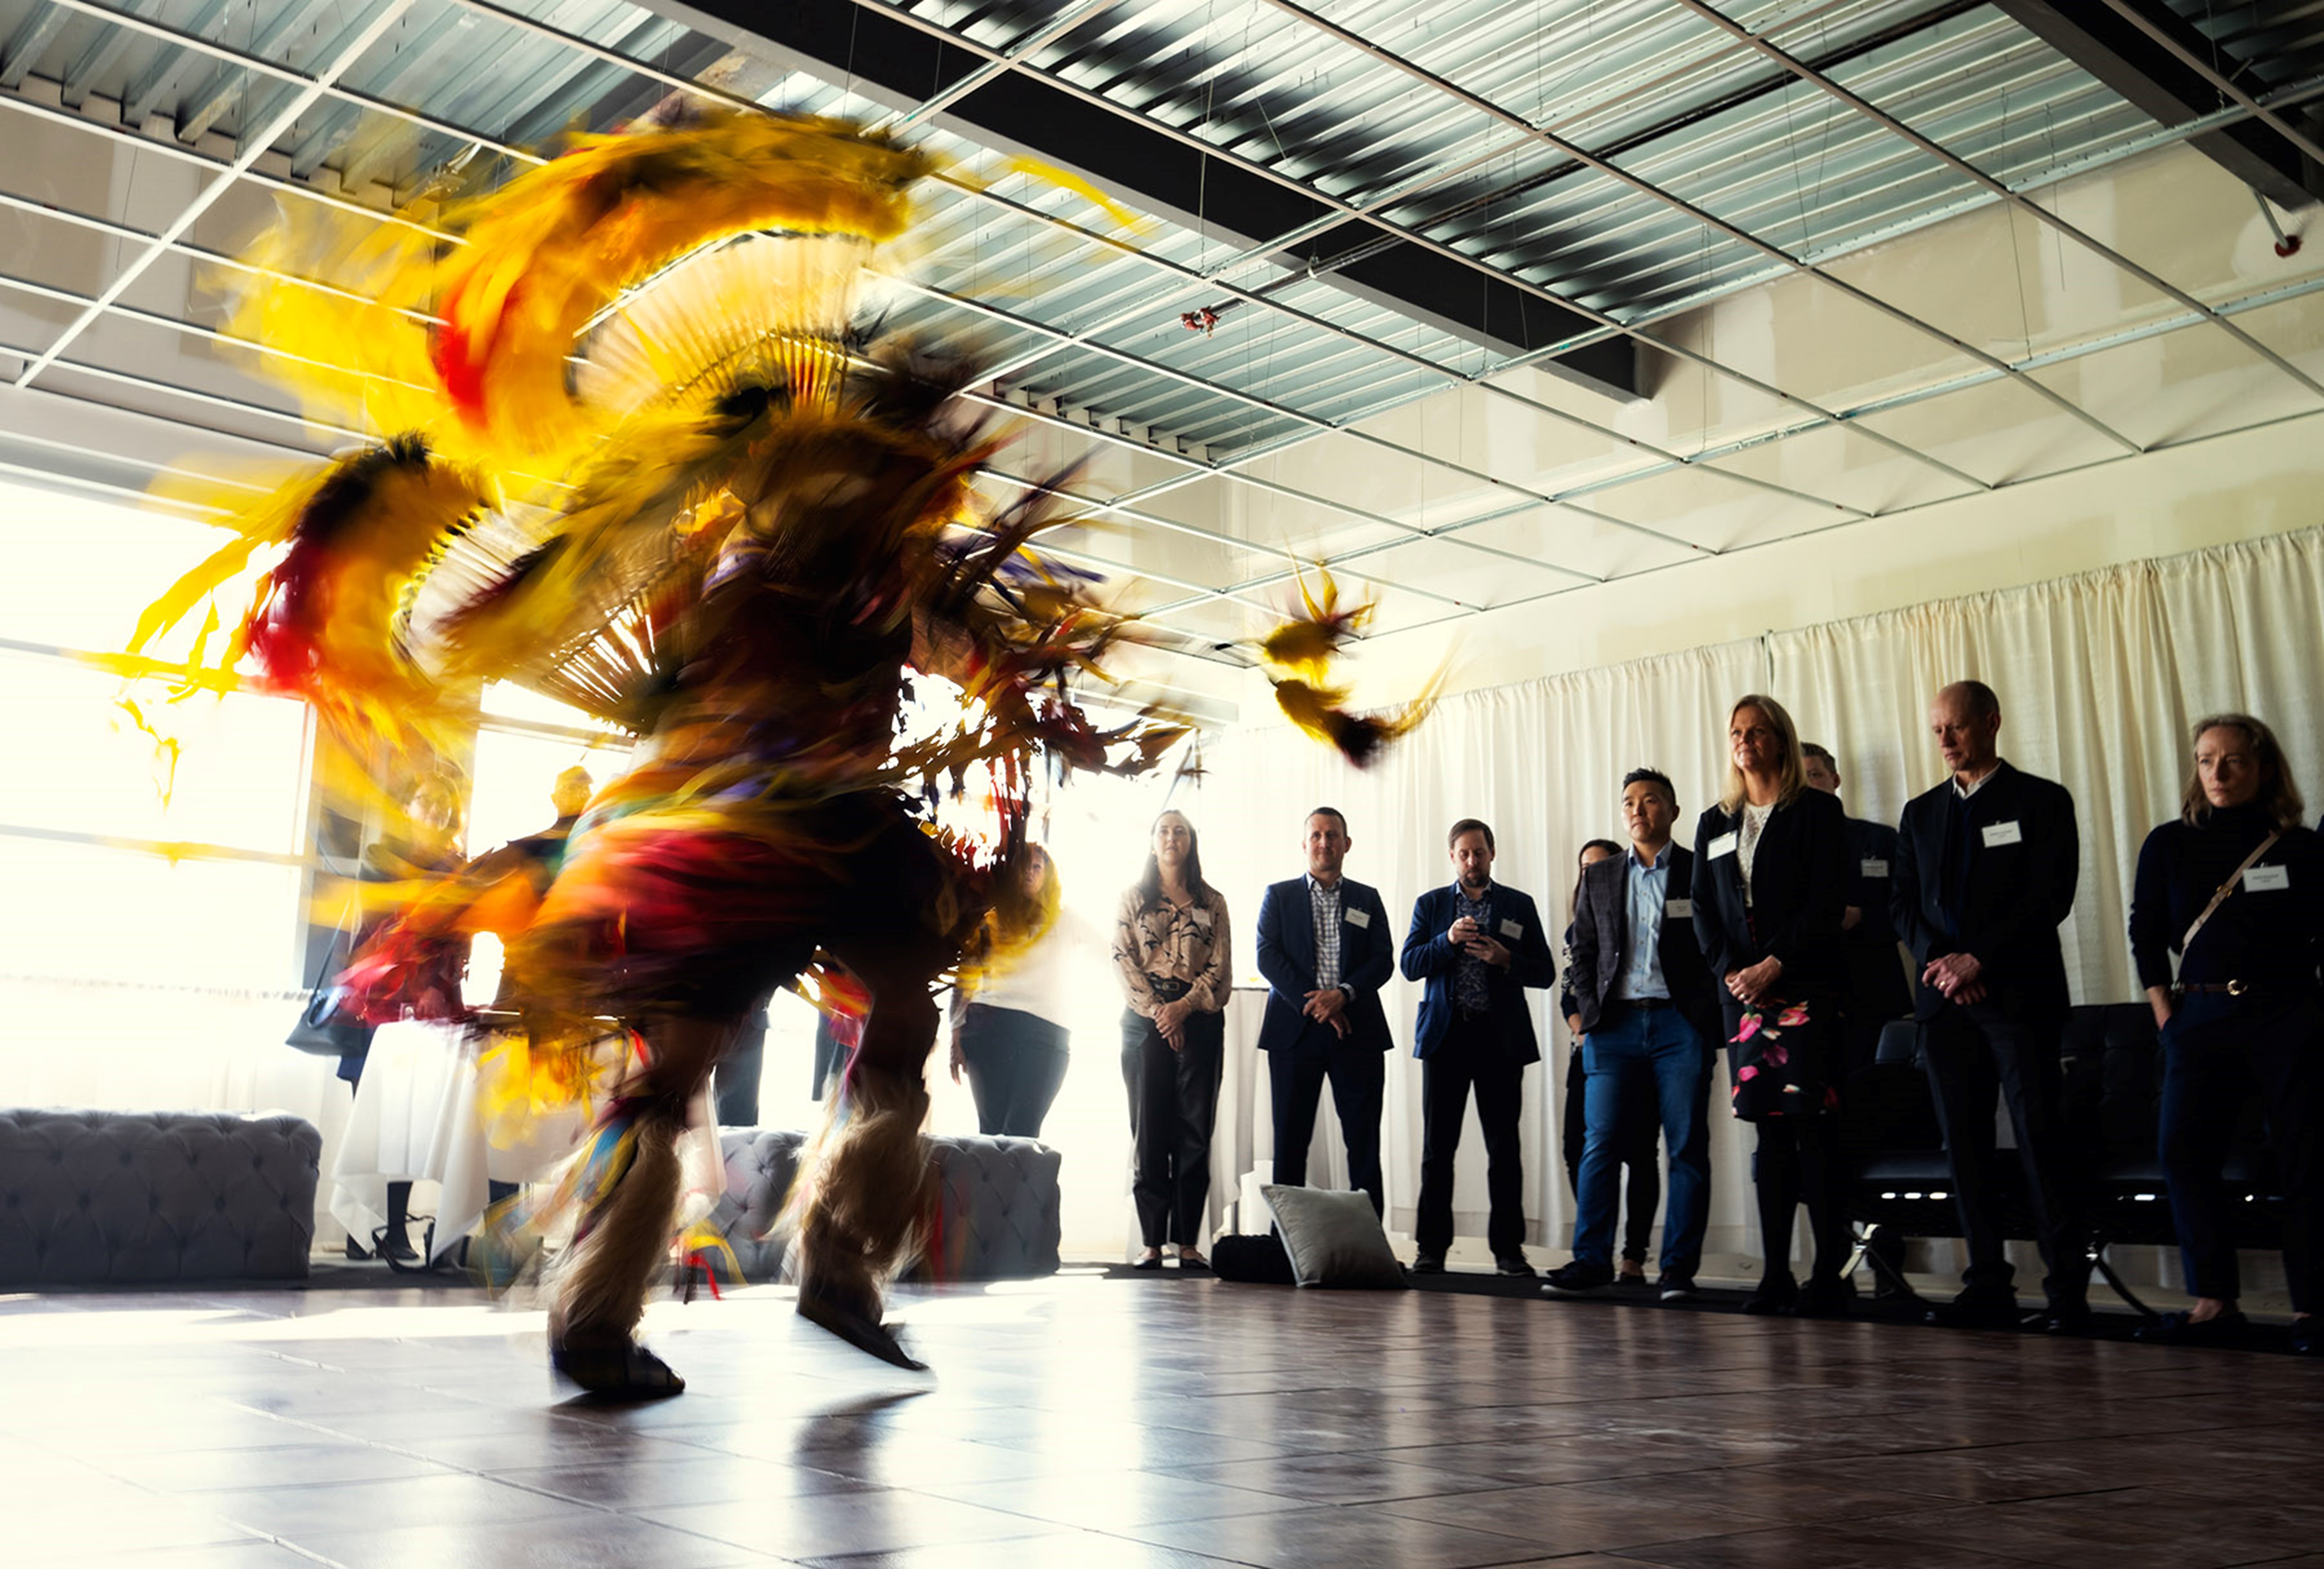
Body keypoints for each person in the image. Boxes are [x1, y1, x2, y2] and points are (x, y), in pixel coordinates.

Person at [1891, 680, 2089, 1333]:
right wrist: (1944, 965)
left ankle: (2066, 1292)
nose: (1945, 740)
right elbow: (1903, 904)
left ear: (1992, 722)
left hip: (2018, 997)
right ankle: (1986, 1284)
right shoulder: (1919, 813)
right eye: (1937, 730)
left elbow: (2049, 896)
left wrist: (1979, 959)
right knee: (1964, 1146)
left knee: (2040, 1138)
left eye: (1957, 727)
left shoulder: (2041, 800)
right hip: (1945, 1005)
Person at [2128, 714, 2324, 1351]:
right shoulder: (2167, 843)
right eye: (2206, 759)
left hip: (2286, 1017)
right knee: (2183, 1151)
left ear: (2263, 767)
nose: (2217, 772)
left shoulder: (2298, 846)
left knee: (2305, 1159)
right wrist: (2164, 1011)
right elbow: (2146, 931)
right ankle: (2214, 1302)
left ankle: (2312, 1310)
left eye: (2232, 760)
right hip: (2200, 1018)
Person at [1692, 695, 1852, 1315]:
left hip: (1803, 985)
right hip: (1744, 999)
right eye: (1737, 732)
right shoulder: (1714, 821)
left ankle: (1828, 1275)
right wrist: (1732, 972)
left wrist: (1774, 964)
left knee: (1813, 1128)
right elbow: (1703, 907)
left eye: (1758, 732)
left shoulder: (1816, 811)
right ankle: (1776, 1275)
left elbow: (1824, 900)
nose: (1746, 741)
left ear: (1780, 742)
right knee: (1769, 1134)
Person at [1546, 769, 1722, 1301]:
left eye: (1650, 801)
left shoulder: (1702, 871)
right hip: (1615, 1025)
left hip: (1680, 1024)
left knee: (1687, 1144)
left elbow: (1720, 946)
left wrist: (1709, 1016)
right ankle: (1591, 1260)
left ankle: (1677, 1271)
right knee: (1599, 1144)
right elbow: (1583, 953)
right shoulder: (1601, 876)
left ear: (1673, 809)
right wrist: (1589, 1016)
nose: (1638, 809)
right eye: (1629, 802)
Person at [1401, 819, 1556, 1276]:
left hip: (1499, 1038)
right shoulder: (1431, 905)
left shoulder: (1517, 905)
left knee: (1504, 1147)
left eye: (1480, 853)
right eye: (1464, 853)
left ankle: (1509, 1251)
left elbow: (1545, 971)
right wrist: (1446, 941)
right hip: (1446, 1038)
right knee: (1437, 1149)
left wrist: (1505, 959)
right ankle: (1432, 1248)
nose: (1472, 861)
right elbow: (1409, 964)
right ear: (1452, 856)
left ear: (1493, 853)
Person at [339, 774, 469, 1263]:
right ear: (408, 807)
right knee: (370, 1122)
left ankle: (395, 1231)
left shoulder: (460, 868)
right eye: (425, 799)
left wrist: (443, 981)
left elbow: (462, 936)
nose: (434, 809)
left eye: (443, 802)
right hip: (376, 1005)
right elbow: (384, 928)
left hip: (435, 1006)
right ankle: (359, 1227)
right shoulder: (381, 858)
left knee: (413, 1122)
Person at [1254, 808, 1397, 1216]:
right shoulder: (1279, 896)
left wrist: (1345, 994)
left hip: (1357, 1031)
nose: (1324, 842)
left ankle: (1371, 1249)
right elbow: (1268, 955)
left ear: (1346, 844)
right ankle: (1282, 1248)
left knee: (1364, 1143)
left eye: (1332, 835)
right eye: (1316, 835)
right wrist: (1318, 1002)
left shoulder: (1367, 898)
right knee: (1290, 1144)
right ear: (1305, 844)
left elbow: (1383, 959)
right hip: (1294, 1033)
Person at [1113, 810, 1232, 1271]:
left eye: (1180, 830)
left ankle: (1186, 1241)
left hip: (1200, 1018)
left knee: (1195, 1131)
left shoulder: (1214, 901)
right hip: (1144, 1020)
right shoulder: (1132, 898)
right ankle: (1151, 1242)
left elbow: (1220, 969)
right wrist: (1161, 1012)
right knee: (1149, 1128)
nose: (1172, 836)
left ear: (1192, 841)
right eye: (1164, 829)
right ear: (1152, 841)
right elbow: (1123, 959)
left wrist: (1183, 1008)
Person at [1560, 838, 1658, 1283]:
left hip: (1643, 1045)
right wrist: (1587, 1026)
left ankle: (1633, 1255)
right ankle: (1594, 1243)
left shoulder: (1635, 912)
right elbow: (1569, 990)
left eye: (1599, 866)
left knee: (1640, 1152)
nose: (1591, 875)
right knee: (1578, 1148)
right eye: (1585, 868)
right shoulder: (1574, 928)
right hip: (1591, 1050)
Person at [949, 844, 1087, 1139]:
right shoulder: (988, 920)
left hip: (1047, 1034)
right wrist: (955, 1035)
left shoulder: (1065, 920)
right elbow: (965, 979)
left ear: (1047, 876)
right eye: (1023, 865)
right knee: (991, 1132)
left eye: (1037, 867)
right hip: (988, 1029)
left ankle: (1017, 1185)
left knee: (1022, 1133)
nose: (1029, 872)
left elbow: (1114, 955)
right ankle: (987, 1187)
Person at [1801, 743, 1913, 1077]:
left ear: (1834, 779)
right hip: (1808, 995)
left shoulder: (1880, 840)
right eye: (1799, 779)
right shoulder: (1778, 851)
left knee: (1880, 1098)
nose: (1808, 786)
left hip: (1874, 988)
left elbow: (1909, 911)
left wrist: (1862, 916)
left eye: (1815, 776)